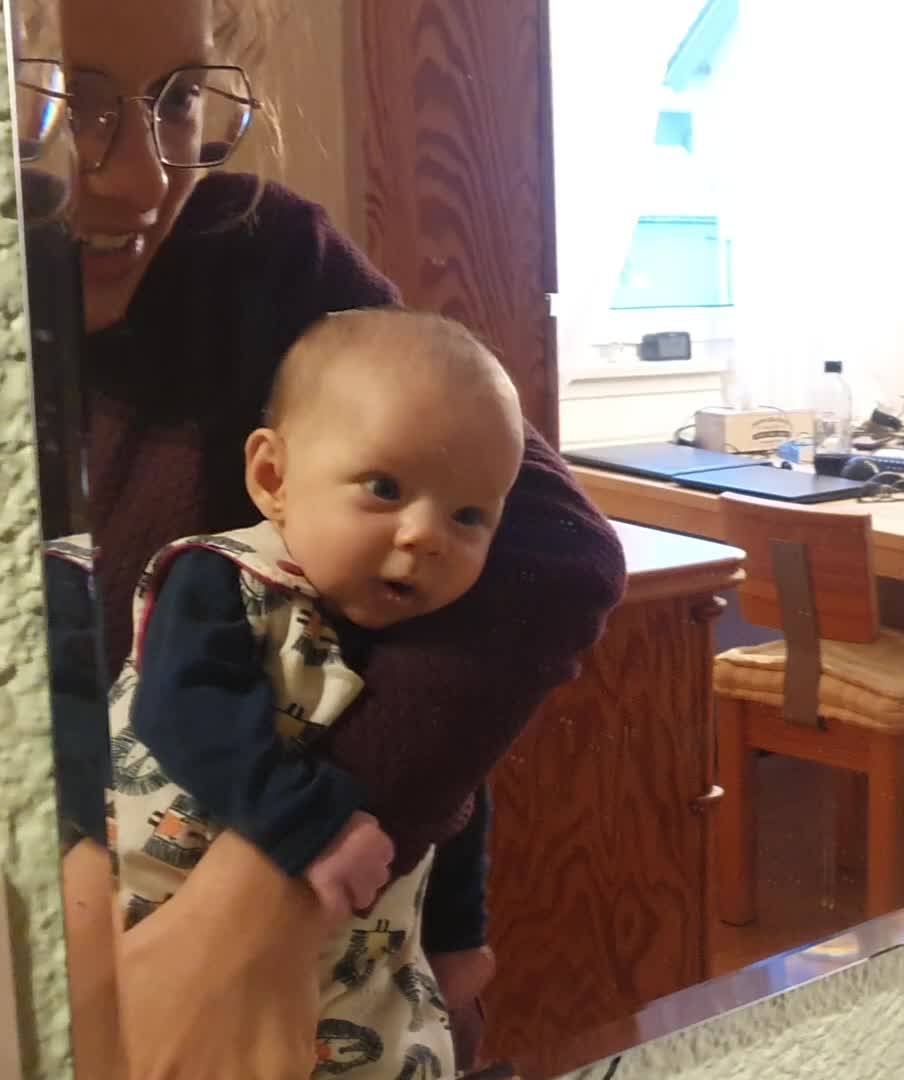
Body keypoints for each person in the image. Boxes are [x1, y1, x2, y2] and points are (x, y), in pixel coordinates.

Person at [48, 0, 628, 1075]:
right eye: (67, 102)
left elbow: (554, 557)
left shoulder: (251, 256)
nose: (142, 178)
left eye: (178, 100)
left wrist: (266, 893)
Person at [99, 309, 524, 1078]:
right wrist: (312, 825)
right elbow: (185, 712)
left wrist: (459, 939)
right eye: (384, 488)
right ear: (273, 478)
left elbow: (455, 799)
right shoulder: (223, 578)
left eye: (469, 516)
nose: (426, 535)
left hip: (364, 978)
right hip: (168, 925)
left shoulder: (430, 650)